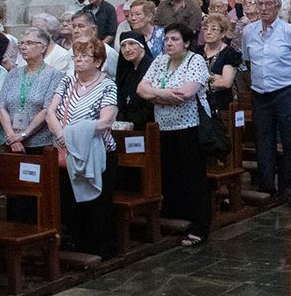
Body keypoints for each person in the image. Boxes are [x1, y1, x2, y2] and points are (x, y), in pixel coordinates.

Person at [136, 24, 211, 245]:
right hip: (164, 127)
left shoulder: (194, 60)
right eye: (167, 39)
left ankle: (199, 226)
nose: (169, 43)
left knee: (192, 177)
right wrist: (164, 94)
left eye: (175, 39)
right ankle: (177, 220)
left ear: (186, 42)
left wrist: (155, 96)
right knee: (170, 175)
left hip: (189, 126)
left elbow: (186, 93)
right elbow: (141, 89)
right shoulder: (160, 60)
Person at [46, 38, 120, 257]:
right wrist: (61, 135)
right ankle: (78, 246)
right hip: (66, 150)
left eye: (84, 56)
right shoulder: (68, 81)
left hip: (97, 152)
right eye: (76, 56)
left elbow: (105, 121)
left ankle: (98, 249)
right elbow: (51, 111)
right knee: (70, 200)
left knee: (97, 204)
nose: (78, 60)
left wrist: (72, 134)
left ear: (97, 62)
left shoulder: (108, 85)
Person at [237, 0, 291, 205]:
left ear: (277, 7)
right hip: (260, 93)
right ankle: (267, 188)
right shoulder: (249, 31)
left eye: (268, 4)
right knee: (263, 141)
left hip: (286, 91)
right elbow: (248, 63)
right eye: (261, 4)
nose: (264, 8)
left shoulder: (289, 31)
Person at [0, 26, 66, 153]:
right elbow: (2, 107)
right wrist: (12, 136)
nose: (23, 47)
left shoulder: (54, 75)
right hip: (11, 142)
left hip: (39, 144)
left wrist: (23, 135)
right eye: (21, 43)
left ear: (43, 47)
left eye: (29, 43)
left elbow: (47, 109)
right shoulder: (13, 74)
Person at [114, 31, 155, 130]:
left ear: (141, 46)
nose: (127, 49)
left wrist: (134, 122)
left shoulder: (152, 67)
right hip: (126, 126)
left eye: (132, 44)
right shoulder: (126, 70)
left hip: (148, 125)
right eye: (123, 45)